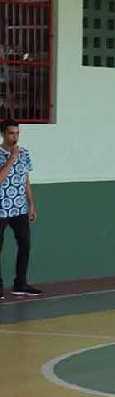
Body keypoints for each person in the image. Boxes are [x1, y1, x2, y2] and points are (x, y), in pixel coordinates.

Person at [0, 119, 39, 298]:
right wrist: (12, 157)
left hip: (19, 208)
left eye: (17, 133)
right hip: (1, 209)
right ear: (3, 134)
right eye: (11, 133)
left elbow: (25, 180)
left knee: (25, 245)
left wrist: (31, 204)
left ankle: (20, 284)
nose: (15, 137)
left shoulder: (24, 153)